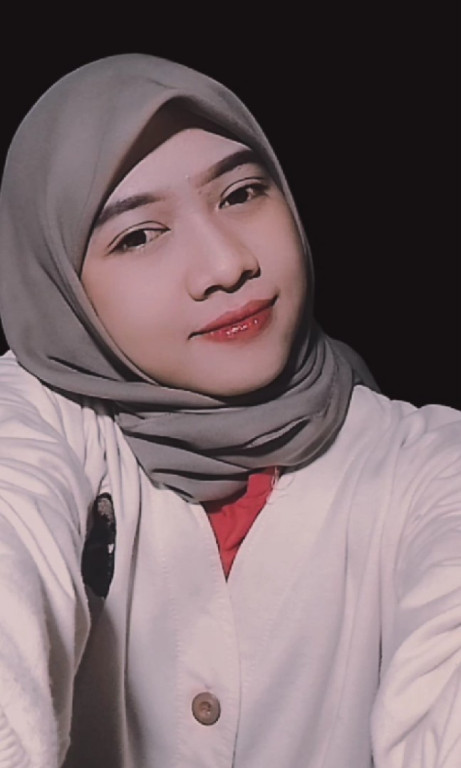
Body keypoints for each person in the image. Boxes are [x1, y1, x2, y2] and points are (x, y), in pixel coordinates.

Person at [0, 53, 459, 768]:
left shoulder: (428, 461)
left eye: (241, 193)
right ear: (59, 285)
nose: (227, 265)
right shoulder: (36, 421)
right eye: (138, 235)